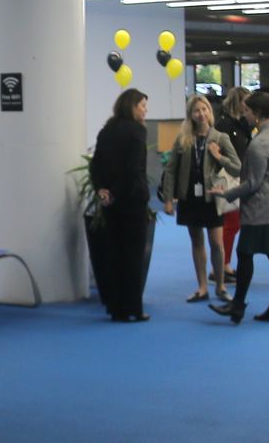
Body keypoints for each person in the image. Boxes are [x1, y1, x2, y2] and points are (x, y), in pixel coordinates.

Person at [213, 92, 269, 324]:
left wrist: (226, 194)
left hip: (261, 211)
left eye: (248, 110)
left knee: (244, 254)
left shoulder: (259, 144)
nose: (245, 114)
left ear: (257, 114)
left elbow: (252, 184)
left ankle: (238, 305)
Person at [161, 94, 241, 303]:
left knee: (216, 242)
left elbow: (237, 167)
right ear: (191, 115)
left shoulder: (220, 137)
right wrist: (168, 198)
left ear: (209, 112)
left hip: (212, 197)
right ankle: (202, 287)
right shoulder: (182, 139)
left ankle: (221, 286)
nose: (201, 114)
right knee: (196, 241)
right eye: (196, 110)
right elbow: (171, 171)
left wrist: (218, 156)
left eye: (204, 109)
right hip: (189, 197)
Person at [90, 88, 152, 322]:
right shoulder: (137, 131)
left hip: (111, 202)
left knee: (114, 254)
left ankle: (116, 308)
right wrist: (116, 191)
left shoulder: (106, 130)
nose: (145, 110)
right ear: (132, 106)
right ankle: (134, 308)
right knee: (133, 256)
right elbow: (132, 169)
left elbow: (96, 165)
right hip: (132, 200)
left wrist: (103, 190)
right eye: (143, 105)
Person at [214, 86, 254, 286]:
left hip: (240, 178)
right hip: (227, 178)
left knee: (233, 224)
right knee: (231, 224)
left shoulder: (243, 125)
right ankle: (222, 265)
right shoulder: (224, 124)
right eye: (246, 102)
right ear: (238, 102)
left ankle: (224, 264)